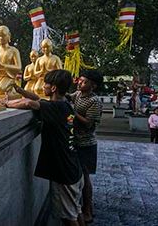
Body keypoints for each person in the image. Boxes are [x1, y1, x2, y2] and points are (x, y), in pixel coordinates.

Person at [1, 70, 85, 226]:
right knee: (76, 210)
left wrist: (7, 104)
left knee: (69, 218)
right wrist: (19, 90)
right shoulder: (64, 104)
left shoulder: (53, 107)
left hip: (64, 173)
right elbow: (36, 98)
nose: (42, 85)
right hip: (74, 168)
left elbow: (29, 103)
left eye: (45, 83)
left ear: (53, 88)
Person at [68, 70, 103, 223]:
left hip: (86, 143)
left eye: (84, 82)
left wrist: (72, 112)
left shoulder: (94, 101)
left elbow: (89, 123)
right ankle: (82, 206)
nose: (80, 83)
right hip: (74, 141)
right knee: (78, 176)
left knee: (85, 177)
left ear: (93, 85)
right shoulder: (77, 95)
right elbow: (66, 97)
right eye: (80, 81)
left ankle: (88, 209)